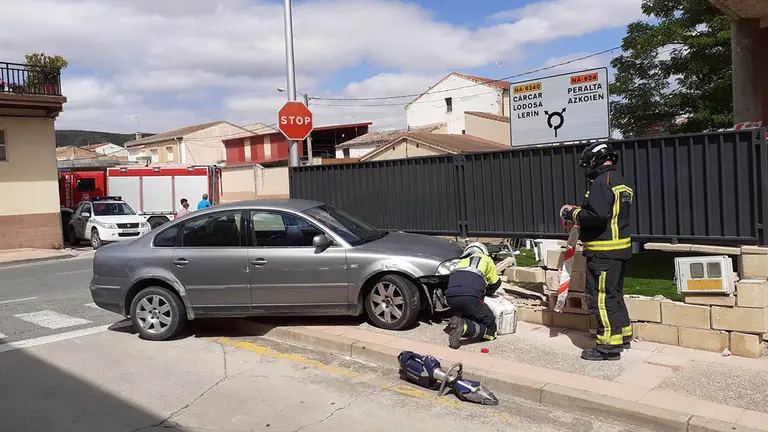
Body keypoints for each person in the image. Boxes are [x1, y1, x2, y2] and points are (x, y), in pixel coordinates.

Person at [561, 142, 634, 361]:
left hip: (603, 254)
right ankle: (623, 335)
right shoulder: (620, 182)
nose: (587, 169)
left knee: (602, 298)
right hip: (619, 251)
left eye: (587, 165)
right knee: (614, 295)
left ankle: (608, 347)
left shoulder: (602, 183)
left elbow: (597, 216)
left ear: (594, 160)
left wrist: (573, 213)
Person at [445, 242, 502, 349]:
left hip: (450, 299)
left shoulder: (459, 262)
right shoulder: (485, 259)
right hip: (469, 298)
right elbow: (496, 283)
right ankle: (464, 326)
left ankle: (459, 322)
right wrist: (487, 292)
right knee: (490, 329)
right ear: (483, 251)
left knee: (471, 312)